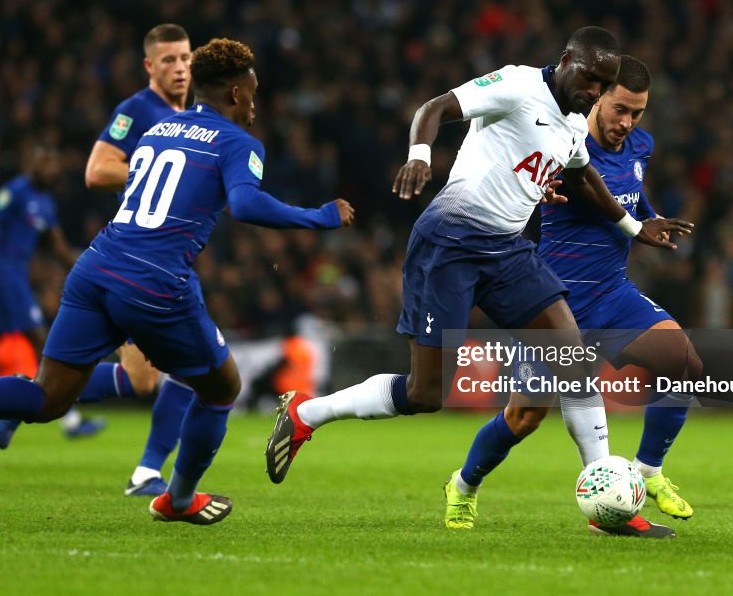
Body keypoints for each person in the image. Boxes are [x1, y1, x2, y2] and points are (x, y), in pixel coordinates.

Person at [0, 38, 355, 526]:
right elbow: (244, 205)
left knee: (48, 396)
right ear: (237, 94)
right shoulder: (241, 142)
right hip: (156, 283)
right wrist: (320, 216)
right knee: (221, 388)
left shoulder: (160, 127)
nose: (256, 105)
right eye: (253, 93)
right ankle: (178, 499)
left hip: (97, 265)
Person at [264, 27, 692, 531]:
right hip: (449, 245)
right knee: (426, 395)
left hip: (508, 251)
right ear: (566, 60)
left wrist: (634, 227)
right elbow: (434, 108)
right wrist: (420, 156)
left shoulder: (574, 123)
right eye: (591, 79)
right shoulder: (516, 85)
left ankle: (608, 508)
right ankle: (307, 415)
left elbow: (581, 178)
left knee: (571, 358)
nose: (595, 92)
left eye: (603, 85)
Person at [443, 55, 700, 538]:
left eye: (637, 113)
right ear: (597, 96)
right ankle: (463, 484)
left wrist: (649, 219)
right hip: (551, 303)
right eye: (619, 109)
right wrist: (540, 190)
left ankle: (644, 473)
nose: (627, 122)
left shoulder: (639, 145)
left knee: (684, 364)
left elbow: (629, 197)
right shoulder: (563, 139)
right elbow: (528, 177)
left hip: (612, 293)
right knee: (523, 418)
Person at [0, 24, 198, 498]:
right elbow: (97, 170)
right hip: (133, 261)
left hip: (163, 257)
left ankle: (21, 397)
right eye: (168, 60)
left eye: (186, 58)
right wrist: (157, 175)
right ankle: (147, 472)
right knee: (192, 367)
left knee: (143, 380)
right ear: (149, 67)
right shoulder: (135, 111)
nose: (179, 68)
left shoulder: (189, 117)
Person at [0, 144, 104, 440]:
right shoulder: (15, 191)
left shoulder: (45, 201)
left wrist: (88, 266)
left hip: (14, 275)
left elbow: (56, 245)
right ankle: (71, 419)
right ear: (32, 164)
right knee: (42, 340)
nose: (52, 169)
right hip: (4, 273)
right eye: (46, 163)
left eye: (55, 164)